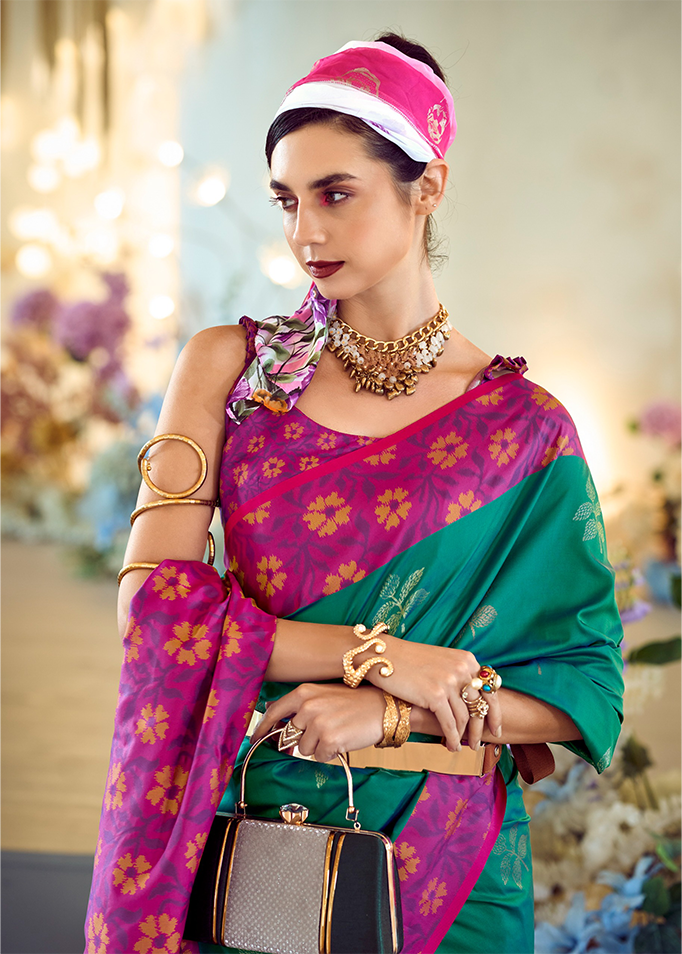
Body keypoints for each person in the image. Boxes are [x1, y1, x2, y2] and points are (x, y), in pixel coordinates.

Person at [85, 33, 624, 954]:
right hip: (265, 831)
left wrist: (391, 710)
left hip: (452, 854)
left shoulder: (524, 429)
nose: (306, 232)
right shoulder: (233, 371)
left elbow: (583, 682)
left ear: (428, 187)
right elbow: (153, 608)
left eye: (336, 194)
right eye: (287, 200)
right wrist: (378, 656)